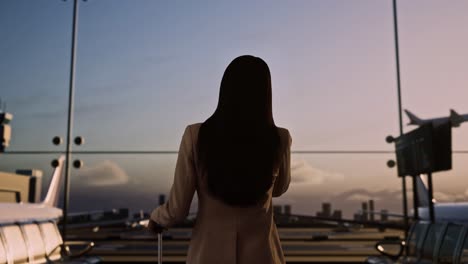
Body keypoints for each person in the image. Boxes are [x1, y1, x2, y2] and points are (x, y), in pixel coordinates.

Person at [148, 55, 292, 264]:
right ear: (266, 94)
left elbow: (178, 209)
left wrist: (157, 218)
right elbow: (279, 188)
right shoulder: (279, 138)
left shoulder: (195, 136)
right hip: (262, 256)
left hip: (208, 255)